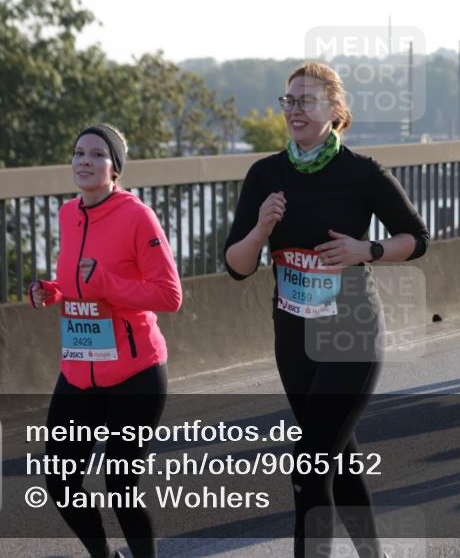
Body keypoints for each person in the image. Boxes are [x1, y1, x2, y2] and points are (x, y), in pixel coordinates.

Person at [224, 62, 429, 557]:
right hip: (293, 337)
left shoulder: (360, 172)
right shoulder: (265, 174)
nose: (294, 110)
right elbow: (235, 265)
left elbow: (417, 239)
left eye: (306, 101)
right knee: (338, 459)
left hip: (351, 333)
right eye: (289, 101)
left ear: (335, 110)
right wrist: (261, 229)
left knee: (308, 468)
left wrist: (368, 250)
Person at [30, 123, 182, 558]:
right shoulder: (67, 213)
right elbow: (75, 281)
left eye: (97, 154)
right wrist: (52, 290)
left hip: (135, 374)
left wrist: (108, 284)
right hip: (79, 371)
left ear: (115, 167)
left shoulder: (137, 216)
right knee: (60, 482)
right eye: (79, 153)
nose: (85, 161)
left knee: (121, 487)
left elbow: (169, 296)